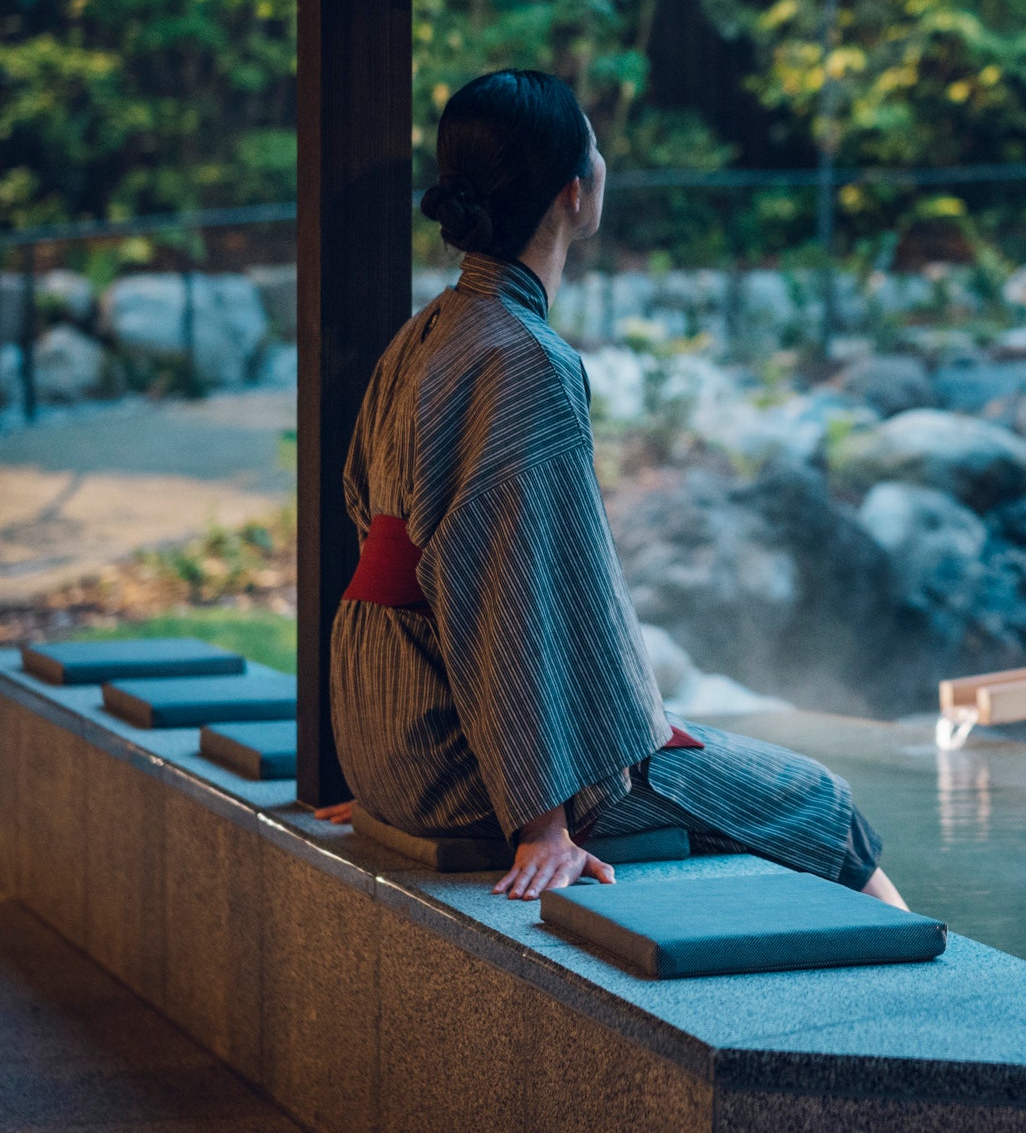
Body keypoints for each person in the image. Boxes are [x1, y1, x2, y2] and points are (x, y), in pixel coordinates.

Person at [314, 68, 905, 908]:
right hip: (466, 766)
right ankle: (937, 1017)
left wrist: (385, 753)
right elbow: (516, 593)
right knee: (820, 804)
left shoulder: (428, 332)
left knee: (708, 758)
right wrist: (543, 823)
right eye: (596, 149)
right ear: (575, 194)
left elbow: (373, 526)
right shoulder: (523, 360)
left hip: (389, 729)